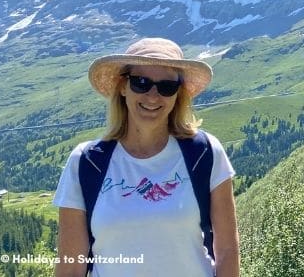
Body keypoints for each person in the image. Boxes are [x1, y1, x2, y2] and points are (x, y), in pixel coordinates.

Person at [53, 38, 239, 277]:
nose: (153, 96)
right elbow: (70, 266)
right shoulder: (86, 162)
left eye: (167, 86)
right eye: (141, 83)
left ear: (178, 94)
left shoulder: (205, 153)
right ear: (122, 86)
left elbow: (226, 252)